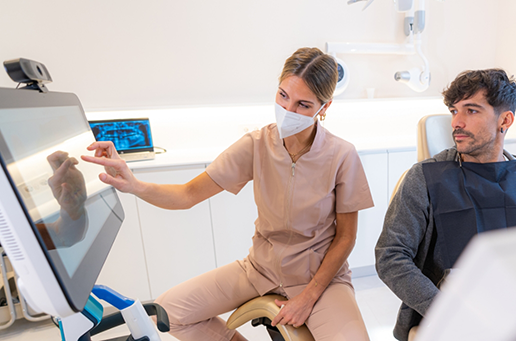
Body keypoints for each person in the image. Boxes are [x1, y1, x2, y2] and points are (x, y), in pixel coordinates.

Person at [82, 47, 374, 341]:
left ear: (324, 107)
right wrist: (134, 185)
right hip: (261, 270)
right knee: (168, 313)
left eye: (303, 105)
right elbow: (187, 194)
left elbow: (346, 237)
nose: (288, 110)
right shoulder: (257, 145)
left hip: (319, 279)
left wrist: (308, 297)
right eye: (283, 95)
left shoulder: (341, 155)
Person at [375, 69, 516, 341]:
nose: (456, 122)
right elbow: (390, 256)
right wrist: (449, 311)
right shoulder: (424, 178)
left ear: (505, 120)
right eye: (454, 111)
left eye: (471, 111)